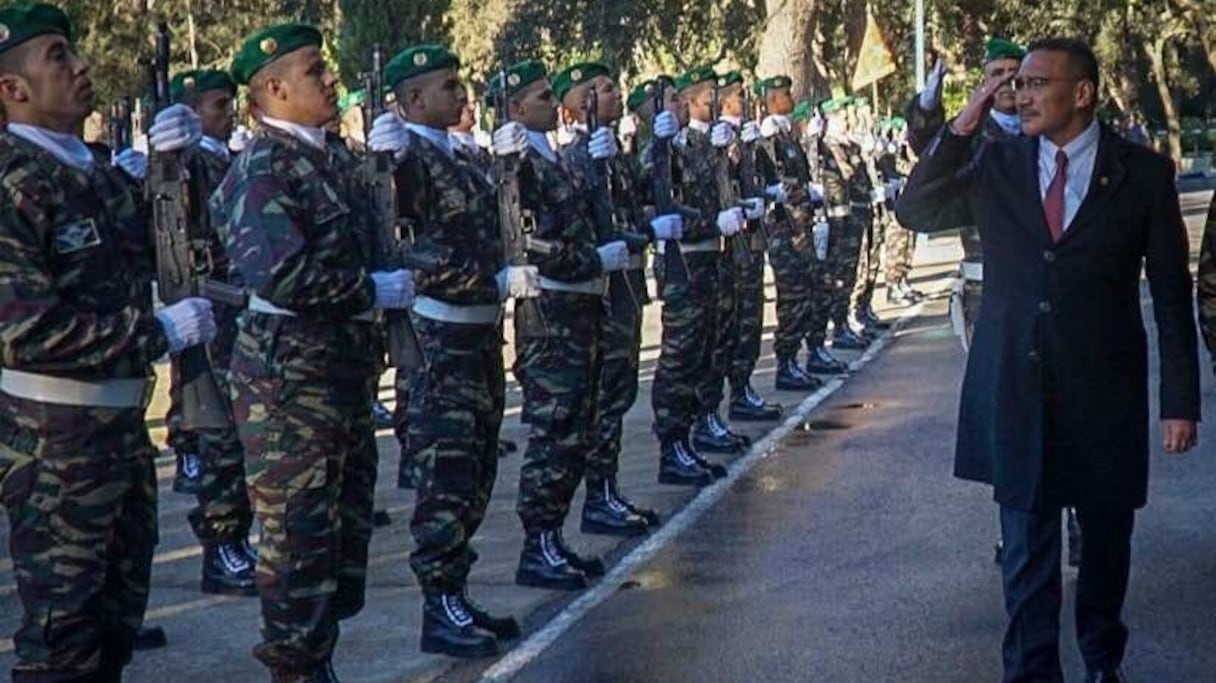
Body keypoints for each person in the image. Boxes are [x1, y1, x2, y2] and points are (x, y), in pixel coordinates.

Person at [896, 37, 1199, 683]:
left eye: (1037, 83)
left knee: (1106, 541)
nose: (1021, 93)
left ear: (1082, 93)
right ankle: (1032, 672)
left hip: (1102, 389)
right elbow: (913, 207)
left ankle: (1101, 658)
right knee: (1027, 545)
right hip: (1015, 384)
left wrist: (1180, 402)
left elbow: (1173, 296)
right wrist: (965, 117)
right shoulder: (997, 164)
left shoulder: (1142, 174)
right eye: (1016, 84)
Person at [0, 4, 216, 680]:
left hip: (120, 429)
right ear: (13, 89)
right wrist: (154, 331)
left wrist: (176, 169)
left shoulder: (95, 171)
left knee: (116, 628)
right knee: (63, 641)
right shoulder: (12, 185)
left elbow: (177, 249)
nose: (81, 66)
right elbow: (22, 327)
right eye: (58, 56)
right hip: (55, 435)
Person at [212, 24, 414, 681]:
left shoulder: (335, 158)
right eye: (315, 71)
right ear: (273, 88)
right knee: (298, 547)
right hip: (287, 391)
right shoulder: (263, 167)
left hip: (341, 380)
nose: (332, 80)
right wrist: (368, 287)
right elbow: (281, 274)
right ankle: (298, 670)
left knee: (338, 545)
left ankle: (316, 659)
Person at [366, 43, 532, 657]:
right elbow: (410, 251)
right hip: (440, 340)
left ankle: (454, 594)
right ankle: (438, 605)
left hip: (479, 336)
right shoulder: (405, 162)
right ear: (412, 100)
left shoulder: (459, 158)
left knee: (477, 473)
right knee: (445, 477)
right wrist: (485, 282)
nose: (461, 96)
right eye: (447, 87)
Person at [486, 59, 617, 591]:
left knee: (577, 431)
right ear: (516, 108)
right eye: (542, 98)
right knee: (553, 432)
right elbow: (526, 242)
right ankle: (536, 543)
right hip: (550, 316)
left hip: (581, 311)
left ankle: (553, 537)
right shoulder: (517, 165)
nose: (552, 104)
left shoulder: (556, 156)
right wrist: (589, 259)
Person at [553, 62, 673, 536]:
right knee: (603, 398)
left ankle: (608, 487)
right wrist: (642, 231)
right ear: (575, 105)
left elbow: (640, 196)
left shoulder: (615, 150)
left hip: (625, 288)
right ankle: (597, 495)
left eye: (613, 86)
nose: (616, 93)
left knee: (619, 392)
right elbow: (585, 222)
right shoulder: (575, 157)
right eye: (603, 89)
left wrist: (654, 144)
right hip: (600, 295)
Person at [650, 65, 746, 486]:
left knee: (709, 350)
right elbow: (662, 202)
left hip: (710, 261)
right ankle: (672, 445)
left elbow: (721, 190)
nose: (714, 101)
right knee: (679, 359)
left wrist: (728, 153)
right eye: (707, 95)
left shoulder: (701, 144)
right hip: (685, 265)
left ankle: (696, 429)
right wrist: (711, 223)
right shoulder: (663, 148)